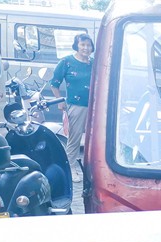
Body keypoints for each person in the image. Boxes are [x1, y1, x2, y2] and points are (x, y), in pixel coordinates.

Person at [51, 33, 94, 183]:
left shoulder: (94, 63)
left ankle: (91, 167)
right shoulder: (66, 62)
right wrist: (59, 101)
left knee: (94, 138)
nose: (86, 48)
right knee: (74, 138)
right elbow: (54, 84)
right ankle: (71, 167)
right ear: (77, 46)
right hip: (76, 105)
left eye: (88, 45)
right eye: (82, 44)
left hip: (95, 106)